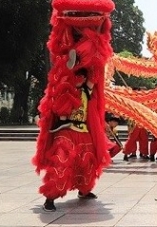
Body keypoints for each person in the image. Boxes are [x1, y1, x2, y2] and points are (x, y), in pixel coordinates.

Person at [34, 68, 108, 212]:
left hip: (84, 132)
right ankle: (50, 198)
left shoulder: (87, 90)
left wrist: (97, 51)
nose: (80, 78)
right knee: (60, 164)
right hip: (65, 132)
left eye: (83, 76)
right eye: (77, 75)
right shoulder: (65, 89)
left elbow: (95, 71)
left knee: (86, 164)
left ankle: (84, 190)